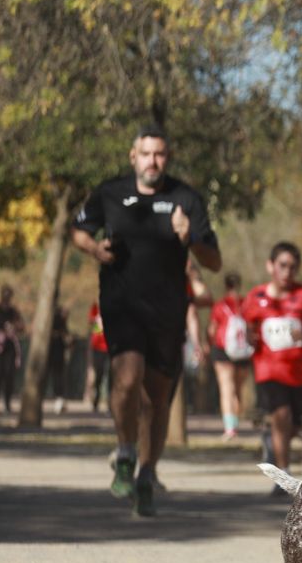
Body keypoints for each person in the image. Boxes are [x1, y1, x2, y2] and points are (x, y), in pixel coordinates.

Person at [71, 124, 221, 517]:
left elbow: (214, 261)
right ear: (132, 156)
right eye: (147, 153)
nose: (153, 161)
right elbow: (79, 232)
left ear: (166, 159)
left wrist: (190, 237)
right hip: (122, 303)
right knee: (125, 377)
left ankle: (147, 472)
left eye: (160, 155)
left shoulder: (185, 197)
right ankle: (124, 450)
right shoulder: (110, 192)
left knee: (156, 399)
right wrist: (95, 249)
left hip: (168, 310)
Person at [242, 242, 302, 478]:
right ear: (270, 266)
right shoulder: (256, 297)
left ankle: (273, 440)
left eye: (293, 267)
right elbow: (246, 327)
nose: (287, 271)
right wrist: (250, 337)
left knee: (291, 425)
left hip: (300, 372)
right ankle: (283, 475)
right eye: (282, 265)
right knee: (281, 416)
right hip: (268, 371)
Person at [208, 272, 250, 439]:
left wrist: (207, 343)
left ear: (226, 286)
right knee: (238, 390)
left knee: (227, 389)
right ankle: (235, 423)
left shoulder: (220, 306)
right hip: (243, 351)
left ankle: (230, 428)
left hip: (222, 349)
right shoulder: (247, 304)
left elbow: (212, 329)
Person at [46, 303, 70, 413]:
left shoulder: (63, 326)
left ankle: (59, 400)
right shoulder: (52, 322)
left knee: (58, 377)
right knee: (54, 377)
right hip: (50, 354)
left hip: (58, 354)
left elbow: (67, 339)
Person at [85, 299, 108, 411]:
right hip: (98, 347)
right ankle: (96, 399)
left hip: (112, 347)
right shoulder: (96, 308)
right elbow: (90, 322)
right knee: (99, 374)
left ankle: (111, 402)